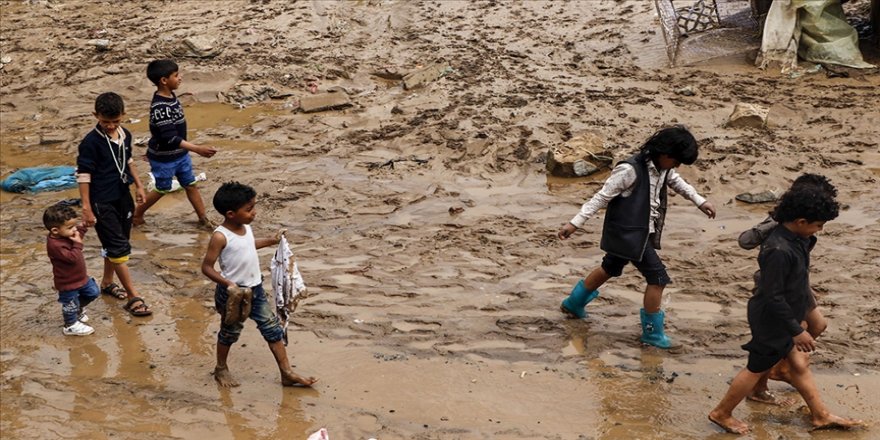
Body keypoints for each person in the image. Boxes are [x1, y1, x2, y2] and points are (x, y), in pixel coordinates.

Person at [708, 187, 864, 434]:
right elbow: (773, 295)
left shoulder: (799, 240)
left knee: (797, 366)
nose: (819, 230)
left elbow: (796, 282)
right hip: (772, 319)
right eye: (818, 225)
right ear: (801, 222)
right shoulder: (778, 250)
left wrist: (800, 316)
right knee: (755, 368)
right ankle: (722, 413)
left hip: (786, 315)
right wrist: (796, 330)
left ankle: (820, 415)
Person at [557, 125, 716, 349]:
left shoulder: (663, 168)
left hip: (640, 232)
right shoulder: (629, 170)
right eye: (676, 161)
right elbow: (601, 197)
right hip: (629, 234)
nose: (677, 166)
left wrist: (700, 201)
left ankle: (574, 303)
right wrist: (575, 223)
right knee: (658, 279)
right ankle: (652, 334)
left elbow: (677, 181)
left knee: (610, 267)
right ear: (665, 153)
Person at [201, 181, 318, 388]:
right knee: (229, 332)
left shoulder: (246, 227)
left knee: (272, 329)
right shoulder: (220, 237)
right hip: (234, 294)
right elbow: (207, 267)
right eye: (249, 209)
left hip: (255, 289)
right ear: (230, 214)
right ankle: (221, 368)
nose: (254, 212)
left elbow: (248, 245)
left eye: (253, 207)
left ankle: (286, 372)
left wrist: (272, 240)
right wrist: (227, 283)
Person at [739, 173, 837, 405]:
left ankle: (782, 367)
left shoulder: (804, 227)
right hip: (778, 286)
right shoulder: (783, 226)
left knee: (817, 325)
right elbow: (745, 241)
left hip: (796, 283)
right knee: (779, 340)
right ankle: (761, 384)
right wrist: (774, 221)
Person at [77, 92, 152, 317]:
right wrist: (86, 207)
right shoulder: (90, 143)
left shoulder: (125, 135)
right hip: (101, 200)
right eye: (105, 122)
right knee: (117, 246)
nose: (110, 126)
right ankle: (133, 297)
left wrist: (139, 185)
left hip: (122, 196)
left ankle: (108, 282)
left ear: (123, 115)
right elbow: (84, 175)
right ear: (96, 116)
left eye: (115, 121)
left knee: (119, 241)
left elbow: (129, 161)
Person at [133, 59, 217, 229]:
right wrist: (197, 149)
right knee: (162, 188)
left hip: (180, 155)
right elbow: (170, 138)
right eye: (176, 75)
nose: (180, 78)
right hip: (164, 158)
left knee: (190, 184)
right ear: (164, 80)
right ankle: (137, 215)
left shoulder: (171, 97)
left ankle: (203, 219)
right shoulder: (160, 108)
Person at [44, 203, 99, 336]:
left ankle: (78, 309)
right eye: (70, 227)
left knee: (93, 292)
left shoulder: (65, 234)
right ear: (55, 230)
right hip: (67, 282)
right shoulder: (55, 245)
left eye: (75, 225)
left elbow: (76, 235)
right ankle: (70, 325)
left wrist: (83, 227)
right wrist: (78, 244)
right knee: (70, 304)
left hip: (81, 277)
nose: (75, 230)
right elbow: (72, 258)